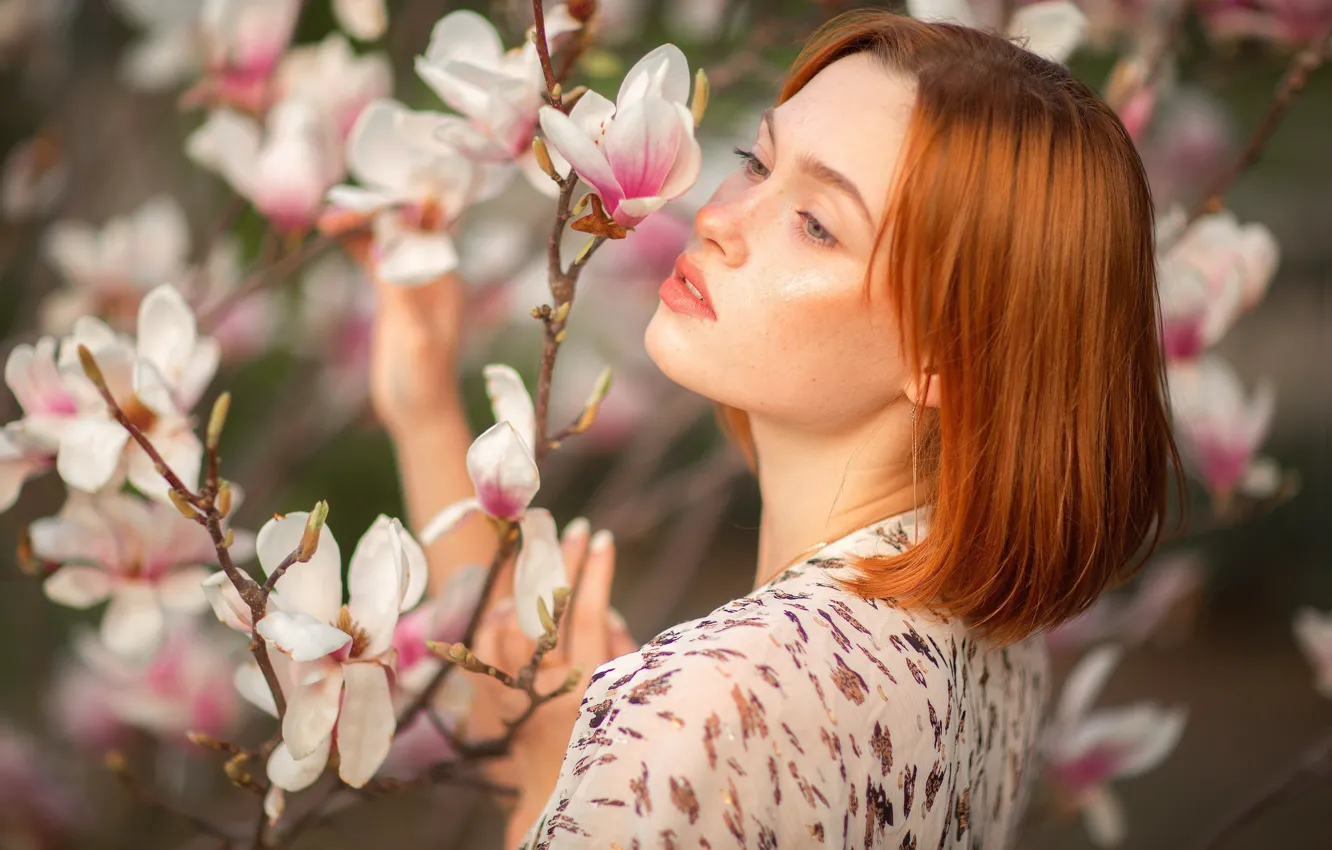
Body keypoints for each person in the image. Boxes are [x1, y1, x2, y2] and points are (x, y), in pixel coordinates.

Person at [352, 9, 1184, 848]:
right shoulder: (991, 647)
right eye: (757, 160)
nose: (720, 216)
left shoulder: (702, 707)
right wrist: (423, 403)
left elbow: (610, 792)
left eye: (818, 223)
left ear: (948, 358)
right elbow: (627, 796)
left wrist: (543, 785)